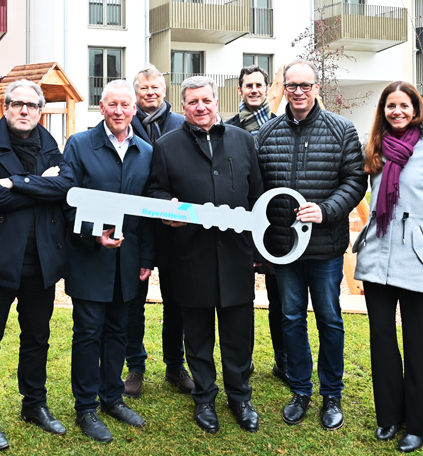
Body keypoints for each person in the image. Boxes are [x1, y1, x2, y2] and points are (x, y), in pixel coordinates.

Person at [145, 76, 263, 434]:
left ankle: (240, 397)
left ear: (217, 101)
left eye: (206, 100)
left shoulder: (243, 141)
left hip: (236, 255)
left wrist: (259, 250)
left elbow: (257, 196)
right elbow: (155, 191)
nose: (201, 107)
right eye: (193, 102)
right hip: (189, 255)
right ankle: (205, 399)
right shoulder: (166, 146)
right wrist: (167, 208)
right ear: (184, 107)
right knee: (196, 335)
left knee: (238, 332)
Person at [255, 59, 367, 431]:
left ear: (317, 88)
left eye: (305, 85)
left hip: (324, 248)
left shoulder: (342, 130)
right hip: (284, 249)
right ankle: (301, 390)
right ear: (283, 89)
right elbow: (257, 191)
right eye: (292, 86)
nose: (298, 92)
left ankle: (331, 394)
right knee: (290, 318)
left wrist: (326, 209)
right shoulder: (267, 134)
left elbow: (355, 182)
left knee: (329, 319)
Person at [0, 79, 74, 450]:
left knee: (37, 339)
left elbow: (65, 189)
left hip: (41, 263)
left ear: (40, 111)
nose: (24, 110)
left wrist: (14, 183)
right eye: (17, 104)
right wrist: (37, 188)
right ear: (6, 107)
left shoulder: (52, 148)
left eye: (31, 105)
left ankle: (35, 405)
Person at [353, 81, 423, 453]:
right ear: (383, 111)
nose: (397, 112)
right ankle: (390, 417)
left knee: (421, 344)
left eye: (403, 105)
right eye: (390, 106)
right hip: (376, 261)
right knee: (382, 342)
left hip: (418, 263)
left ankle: (420, 423)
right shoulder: (377, 151)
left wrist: (422, 240)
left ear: (416, 108)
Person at [63, 80, 155, 443]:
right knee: (88, 332)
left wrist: (147, 256)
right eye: (112, 104)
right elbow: (66, 200)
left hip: (129, 260)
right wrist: (92, 234)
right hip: (89, 256)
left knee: (119, 329)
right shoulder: (80, 145)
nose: (119, 111)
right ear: (101, 107)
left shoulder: (146, 151)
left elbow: (147, 210)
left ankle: (112, 397)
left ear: (135, 110)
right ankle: (86, 407)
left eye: (125, 105)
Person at [123, 64, 192, 398]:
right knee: (133, 301)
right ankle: (135, 366)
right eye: (143, 89)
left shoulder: (182, 124)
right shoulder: (123, 123)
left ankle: (175, 366)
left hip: (175, 230)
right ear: (135, 93)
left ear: (164, 90)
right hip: (137, 229)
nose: (149, 93)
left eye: (155, 88)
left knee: (176, 302)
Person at [225, 64, 287, 384]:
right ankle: (243, 361)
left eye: (258, 84)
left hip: (275, 223)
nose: (253, 89)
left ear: (266, 88)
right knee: (242, 299)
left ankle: (283, 361)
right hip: (240, 224)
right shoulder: (228, 129)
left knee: (280, 297)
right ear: (240, 90)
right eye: (247, 85)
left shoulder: (281, 126)